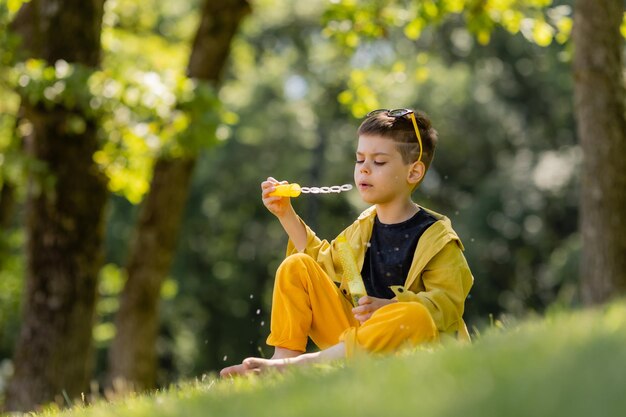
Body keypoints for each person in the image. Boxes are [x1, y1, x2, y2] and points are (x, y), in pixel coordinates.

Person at [220, 108, 473, 377]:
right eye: (359, 159)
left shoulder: (437, 237)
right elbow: (322, 264)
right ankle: (283, 362)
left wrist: (391, 307)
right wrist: (286, 214)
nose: (364, 168)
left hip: (408, 348)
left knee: (416, 315)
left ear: (413, 172)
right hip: (354, 343)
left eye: (379, 162)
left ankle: (303, 365)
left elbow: (446, 305)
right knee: (297, 266)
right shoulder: (362, 228)